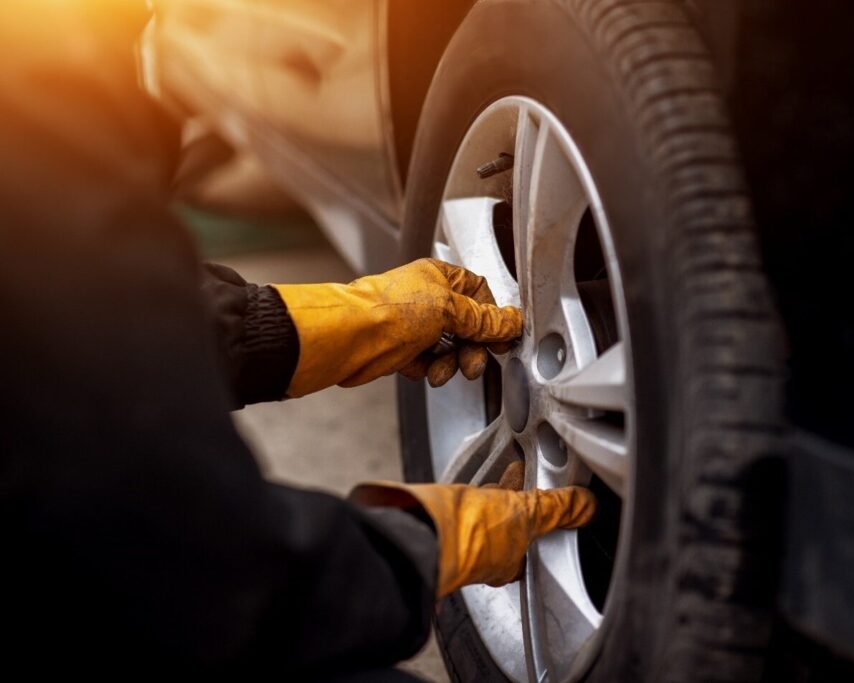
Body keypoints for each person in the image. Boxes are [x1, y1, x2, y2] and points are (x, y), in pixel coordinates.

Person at [0, 1, 595, 679]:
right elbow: (192, 572)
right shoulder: (36, 66)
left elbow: (60, 323)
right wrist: (416, 547)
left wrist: (342, 320)